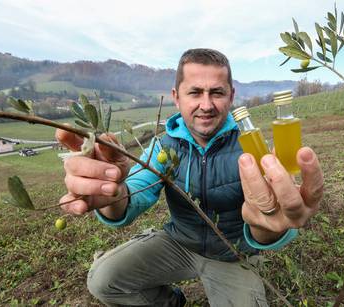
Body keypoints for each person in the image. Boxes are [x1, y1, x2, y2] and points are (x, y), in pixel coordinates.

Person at [56, 48, 324, 307]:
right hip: (179, 243)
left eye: (217, 93)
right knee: (103, 280)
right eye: (195, 92)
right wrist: (111, 193)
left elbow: (270, 216)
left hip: (232, 255)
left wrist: (267, 228)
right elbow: (132, 194)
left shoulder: (251, 148)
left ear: (231, 96)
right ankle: (170, 301)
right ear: (176, 97)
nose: (206, 105)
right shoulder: (163, 147)